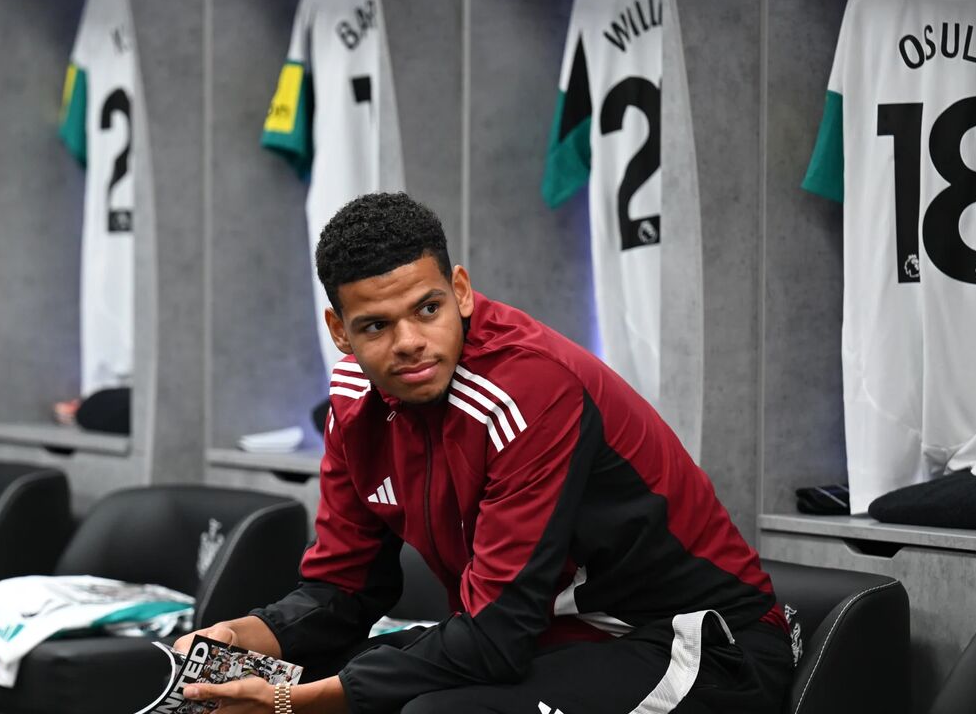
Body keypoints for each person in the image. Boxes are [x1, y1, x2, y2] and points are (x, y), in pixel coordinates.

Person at [176, 192, 792, 713]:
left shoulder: (527, 390)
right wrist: (238, 637)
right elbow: (344, 587)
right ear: (340, 331)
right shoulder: (352, 402)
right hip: (556, 637)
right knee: (334, 675)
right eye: (375, 326)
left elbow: (496, 638)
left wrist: (293, 704)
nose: (410, 343)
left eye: (427, 308)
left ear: (461, 291)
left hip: (698, 644)